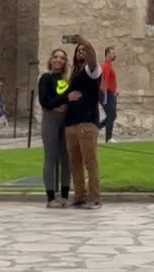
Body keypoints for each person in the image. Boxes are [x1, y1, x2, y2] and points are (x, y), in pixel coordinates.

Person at [64, 35, 104, 209]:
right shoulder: (74, 74)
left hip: (87, 122)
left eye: (84, 50)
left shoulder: (92, 71)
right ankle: (79, 195)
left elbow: (93, 59)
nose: (81, 52)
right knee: (75, 163)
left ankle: (95, 197)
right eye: (79, 50)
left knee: (90, 162)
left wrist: (85, 43)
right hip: (71, 123)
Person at [37, 48, 76, 208]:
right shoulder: (46, 78)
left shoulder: (67, 81)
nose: (58, 60)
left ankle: (65, 195)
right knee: (51, 157)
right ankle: (51, 197)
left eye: (62, 58)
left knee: (66, 158)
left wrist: (64, 101)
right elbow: (45, 102)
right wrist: (65, 99)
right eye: (55, 57)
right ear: (51, 60)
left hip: (65, 120)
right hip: (51, 120)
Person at [100, 46, 119, 143]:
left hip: (111, 93)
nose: (115, 55)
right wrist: (104, 95)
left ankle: (97, 127)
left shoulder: (109, 66)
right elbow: (105, 80)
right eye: (113, 53)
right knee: (111, 114)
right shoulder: (106, 66)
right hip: (107, 93)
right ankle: (108, 138)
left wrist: (115, 91)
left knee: (111, 115)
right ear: (107, 54)